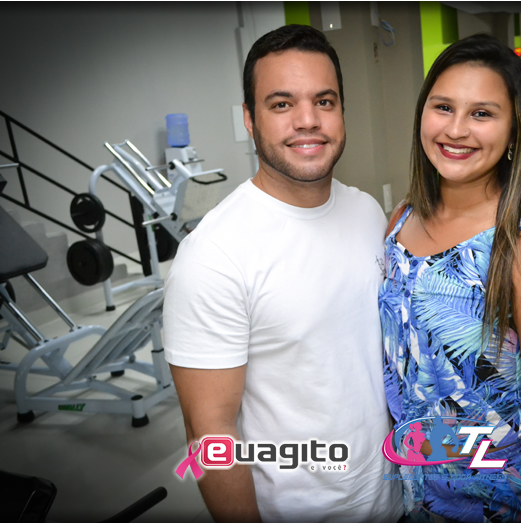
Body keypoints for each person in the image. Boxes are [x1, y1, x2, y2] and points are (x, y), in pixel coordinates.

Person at [163, 25, 401, 522]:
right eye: (281, 104)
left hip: (394, 498)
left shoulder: (366, 213)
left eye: (324, 101)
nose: (307, 120)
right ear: (250, 119)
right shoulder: (214, 255)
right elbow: (209, 432)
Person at [379, 34, 521, 522]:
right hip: (413, 497)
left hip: (499, 505)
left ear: (515, 131)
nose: (456, 130)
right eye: (443, 107)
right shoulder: (401, 220)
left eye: (482, 113)